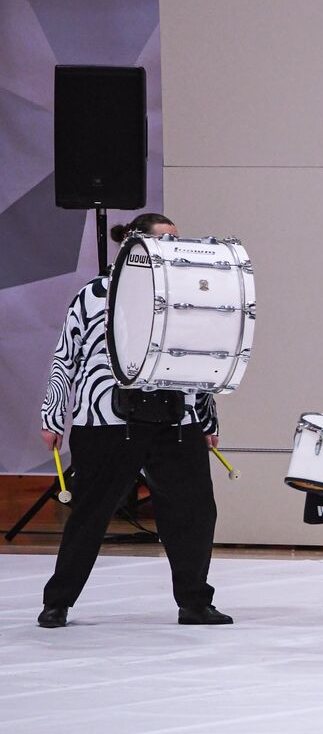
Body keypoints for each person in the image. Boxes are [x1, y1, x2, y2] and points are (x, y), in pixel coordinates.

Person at [37, 213, 230, 628]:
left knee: (195, 512)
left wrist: (208, 419)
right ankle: (58, 601)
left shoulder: (186, 296)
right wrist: (52, 415)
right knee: (90, 512)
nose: (176, 247)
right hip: (106, 417)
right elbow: (65, 356)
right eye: (167, 240)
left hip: (176, 419)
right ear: (138, 245)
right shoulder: (94, 295)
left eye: (179, 240)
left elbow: (199, 359)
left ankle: (194, 601)